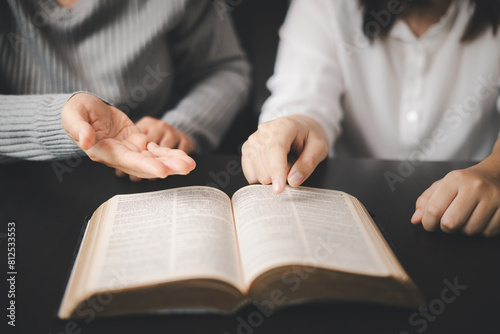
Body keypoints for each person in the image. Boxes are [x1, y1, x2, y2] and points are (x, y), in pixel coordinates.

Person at [242, 0, 500, 237]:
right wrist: (294, 129)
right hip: (348, 216)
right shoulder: (325, 6)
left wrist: (494, 171)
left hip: (471, 216)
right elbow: (305, 100)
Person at [0, 0, 251, 180]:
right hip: (22, 183)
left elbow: (223, 69)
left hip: (149, 170)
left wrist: (183, 124)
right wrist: (56, 118)